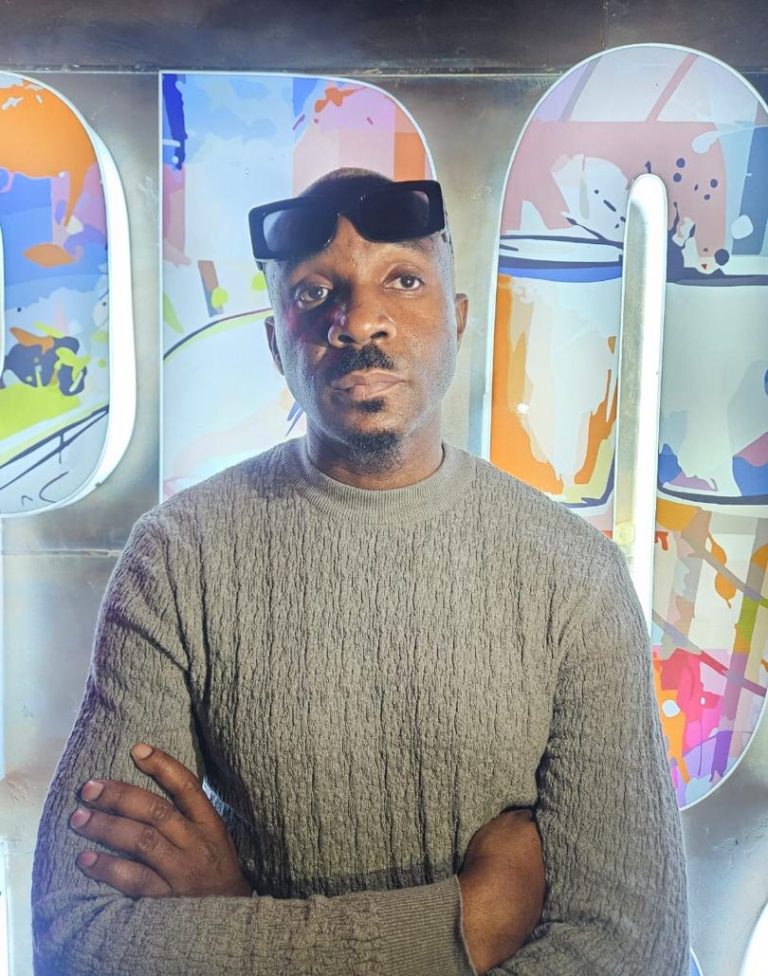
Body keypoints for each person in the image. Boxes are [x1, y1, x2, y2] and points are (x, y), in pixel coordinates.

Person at [32, 168, 689, 975]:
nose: (359, 321)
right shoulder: (179, 558)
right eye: (314, 293)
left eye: (403, 281)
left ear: (458, 320)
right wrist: (463, 927)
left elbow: (631, 950)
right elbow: (77, 934)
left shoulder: (574, 575)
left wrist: (237, 919)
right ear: (275, 343)